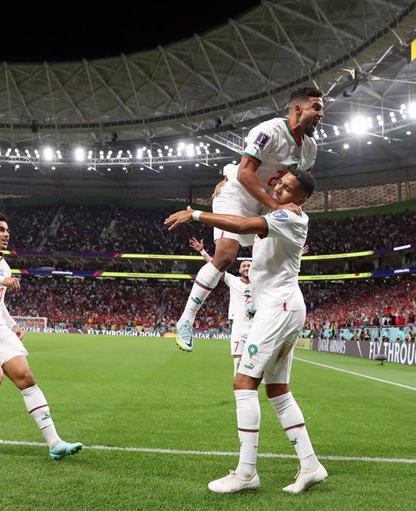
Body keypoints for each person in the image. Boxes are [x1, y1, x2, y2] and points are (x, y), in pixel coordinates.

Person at [165, 168, 328, 494]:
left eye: (288, 189)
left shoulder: (289, 219)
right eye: (279, 184)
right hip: (286, 307)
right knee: (278, 391)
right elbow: (245, 175)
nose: (279, 189)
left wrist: (194, 213)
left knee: (243, 383)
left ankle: (246, 473)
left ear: (301, 200)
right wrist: (227, 181)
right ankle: (310, 465)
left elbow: (239, 226)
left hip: (278, 309)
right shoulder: (279, 212)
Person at [174, 87, 324, 352]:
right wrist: (277, 206)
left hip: (268, 200)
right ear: (298, 110)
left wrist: (282, 214)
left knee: (271, 256)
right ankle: (186, 320)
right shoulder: (269, 131)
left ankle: (257, 301)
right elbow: (245, 173)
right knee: (225, 256)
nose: (321, 114)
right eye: (316, 108)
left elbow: (298, 186)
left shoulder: (310, 148)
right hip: (238, 195)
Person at [0, 211, 82, 460]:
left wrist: (12, 324)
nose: (6, 234)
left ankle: (55, 443)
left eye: (7, 230)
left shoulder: (4, 264)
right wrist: (1, 280)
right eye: (0, 229)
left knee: (26, 378)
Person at [189, 238, 253, 376]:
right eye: (244, 266)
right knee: (237, 359)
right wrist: (202, 251)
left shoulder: (261, 282)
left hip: (256, 324)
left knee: (256, 359)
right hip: (239, 325)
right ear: (240, 269)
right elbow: (215, 266)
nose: (247, 268)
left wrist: (295, 259)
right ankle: (239, 385)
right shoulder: (233, 281)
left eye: (249, 266)